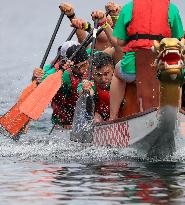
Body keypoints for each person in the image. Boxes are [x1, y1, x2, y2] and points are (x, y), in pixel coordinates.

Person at [109, 0, 184, 120]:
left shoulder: (129, 7)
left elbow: (120, 41)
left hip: (133, 67)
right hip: (162, 66)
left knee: (117, 72)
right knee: (176, 77)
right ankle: (176, 117)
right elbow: (178, 39)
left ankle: (113, 117)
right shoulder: (172, 8)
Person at [41, 45, 89, 128]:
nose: (82, 70)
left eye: (84, 66)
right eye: (77, 67)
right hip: (63, 122)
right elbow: (43, 83)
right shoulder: (64, 76)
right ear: (70, 65)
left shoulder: (93, 65)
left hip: (86, 118)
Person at [78, 52, 114, 122]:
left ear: (113, 69)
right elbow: (80, 89)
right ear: (91, 73)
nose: (103, 79)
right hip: (97, 116)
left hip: (118, 114)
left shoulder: (120, 80)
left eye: (106, 74)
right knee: (96, 119)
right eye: (98, 75)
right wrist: (85, 90)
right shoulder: (90, 83)